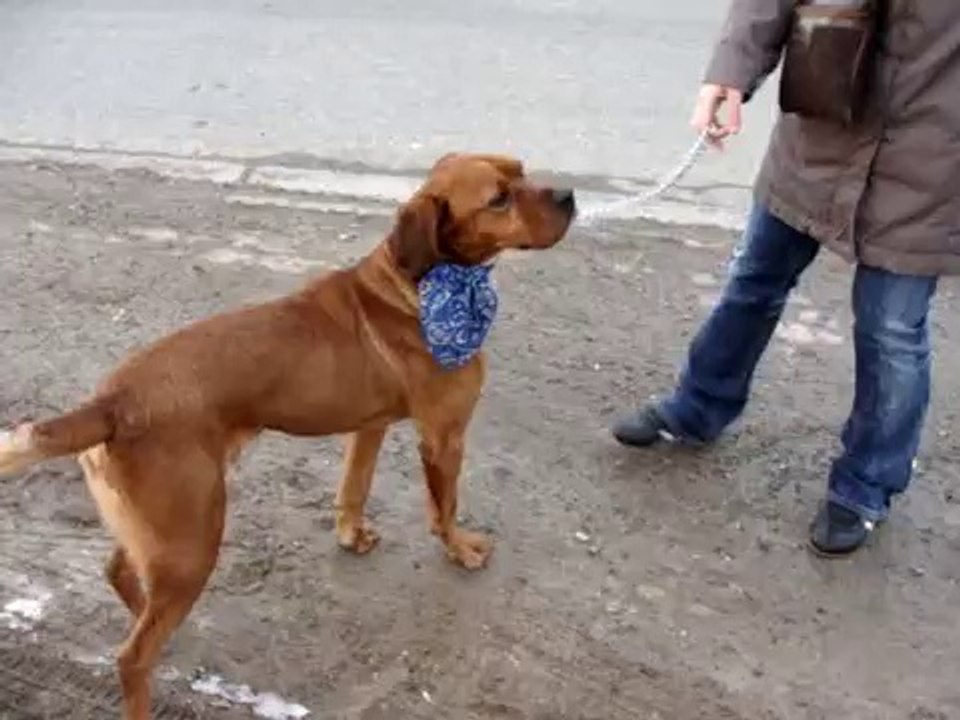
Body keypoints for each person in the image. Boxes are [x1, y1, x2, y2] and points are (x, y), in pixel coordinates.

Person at [613, 0, 960, 556]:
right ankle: (698, 406)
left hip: (932, 163)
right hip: (819, 132)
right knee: (753, 281)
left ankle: (866, 483)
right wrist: (730, 72)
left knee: (891, 330)